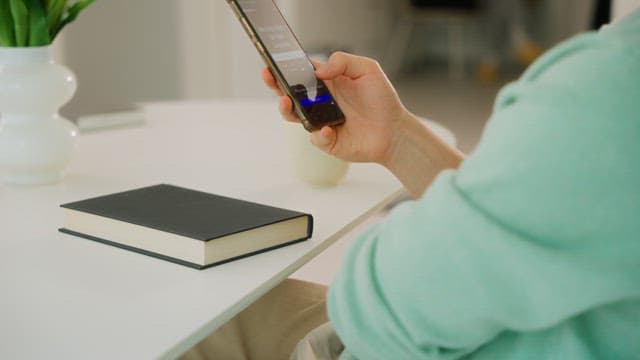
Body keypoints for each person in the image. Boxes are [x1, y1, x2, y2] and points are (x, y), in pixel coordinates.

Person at [182, 8, 639, 360]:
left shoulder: (614, 87)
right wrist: (395, 136)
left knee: (196, 318)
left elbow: (382, 303)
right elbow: (550, 231)